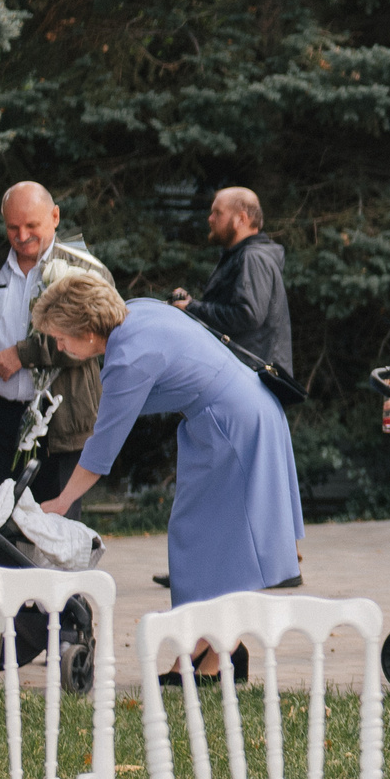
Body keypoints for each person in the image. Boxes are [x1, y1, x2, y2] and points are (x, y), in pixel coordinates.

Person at [36, 275, 305, 678]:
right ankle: (207, 647)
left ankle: (214, 653)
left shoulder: (127, 358)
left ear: (88, 332)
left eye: (59, 338)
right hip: (234, 415)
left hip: (232, 427)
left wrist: (61, 502)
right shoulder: (137, 311)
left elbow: (102, 447)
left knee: (212, 542)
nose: (58, 347)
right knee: (204, 539)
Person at [0, 182, 108, 507]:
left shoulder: (85, 268)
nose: (21, 235)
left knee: (52, 539)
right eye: (12, 227)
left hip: (61, 424)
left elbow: (93, 339)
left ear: (55, 216)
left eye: (32, 225)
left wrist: (24, 355)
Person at [173, 186, 293, 379]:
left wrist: (194, 308)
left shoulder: (253, 257)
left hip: (250, 380)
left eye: (217, 213)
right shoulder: (241, 256)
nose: (210, 219)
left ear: (241, 219)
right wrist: (191, 305)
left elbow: (248, 315)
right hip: (243, 377)